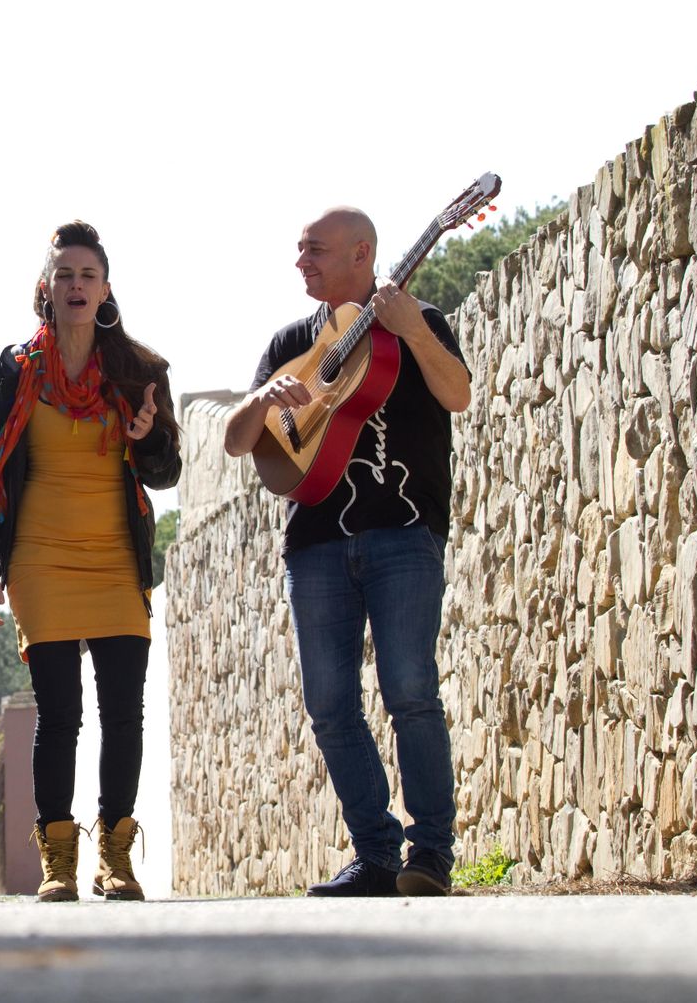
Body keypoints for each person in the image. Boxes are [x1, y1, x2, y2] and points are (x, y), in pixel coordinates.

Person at [222, 206, 472, 898]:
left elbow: (458, 395)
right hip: (316, 543)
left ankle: (431, 856)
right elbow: (240, 442)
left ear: (363, 254)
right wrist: (262, 399)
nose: (303, 263)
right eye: (300, 251)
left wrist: (413, 329)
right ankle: (376, 855)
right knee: (330, 704)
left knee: (411, 692)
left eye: (317, 251)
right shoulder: (291, 341)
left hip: (405, 531)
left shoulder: (419, 319)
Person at [0, 220, 181, 902]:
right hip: (41, 558)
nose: (77, 285)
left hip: (116, 557)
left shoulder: (139, 373)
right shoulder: (12, 373)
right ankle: (58, 860)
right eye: (65, 274)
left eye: (88, 275)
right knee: (60, 714)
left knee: (124, 712)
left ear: (106, 288)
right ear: (46, 289)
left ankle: (116, 857)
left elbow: (166, 472)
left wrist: (146, 441)